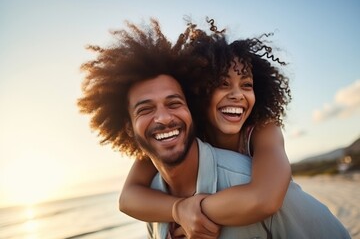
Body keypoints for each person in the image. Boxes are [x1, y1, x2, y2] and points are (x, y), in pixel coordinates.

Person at [78, 19, 350, 238]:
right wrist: (177, 209)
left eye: (247, 85)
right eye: (222, 84)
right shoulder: (177, 141)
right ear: (199, 93)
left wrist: (193, 211)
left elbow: (265, 199)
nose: (237, 95)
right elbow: (127, 198)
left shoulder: (263, 132)